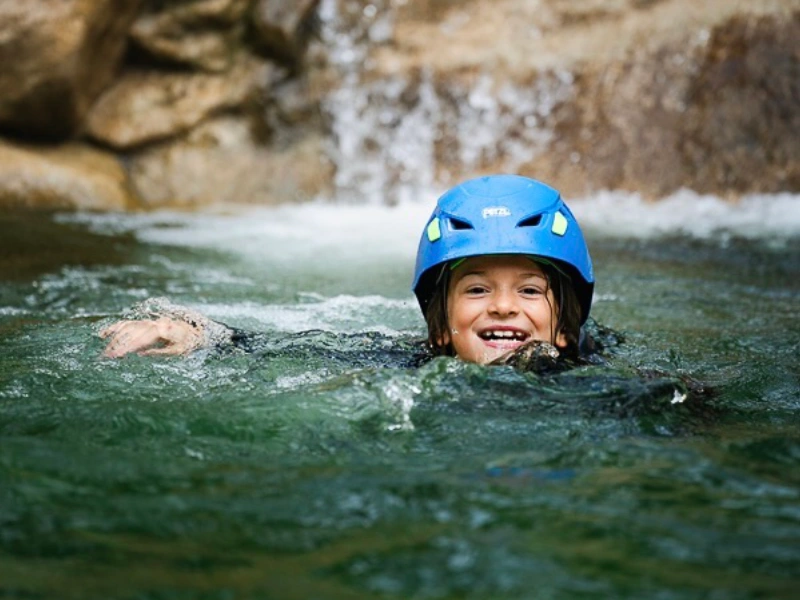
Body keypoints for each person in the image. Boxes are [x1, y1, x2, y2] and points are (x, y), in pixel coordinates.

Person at [100, 174, 597, 369]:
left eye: (530, 290)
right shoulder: (407, 364)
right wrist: (188, 331)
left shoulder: (595, 379)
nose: (504, 305)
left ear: (568, 328)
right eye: (477, 289)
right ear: (442, 328)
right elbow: (278, 349)